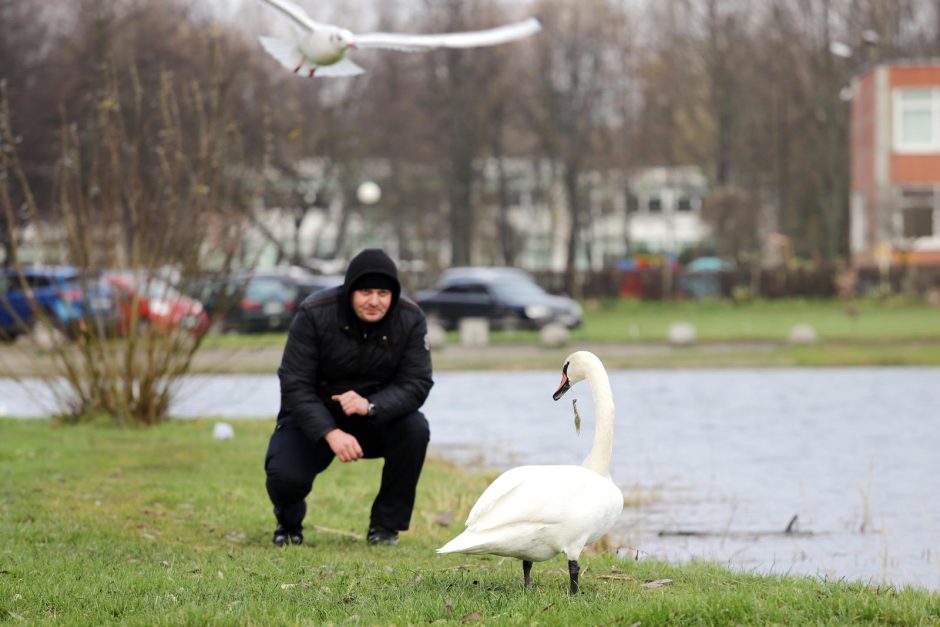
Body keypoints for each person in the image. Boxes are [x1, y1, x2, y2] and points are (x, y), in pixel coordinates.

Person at [264, 249, 433, 547]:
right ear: (349, 291)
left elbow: (417, 382)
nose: (374, 301)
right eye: (365, 291)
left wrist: (371, 406)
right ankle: (288, 526)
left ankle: (385, 528)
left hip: (373, 416)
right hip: (314, 417)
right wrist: (329, 432)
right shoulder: (314, 312)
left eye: (383, 293)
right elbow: (294, 383)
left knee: (415, 429)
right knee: (284, 476)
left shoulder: (411, 319)